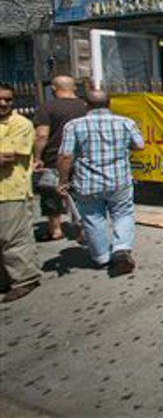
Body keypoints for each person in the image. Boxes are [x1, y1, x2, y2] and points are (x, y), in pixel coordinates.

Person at [57, 89, 143, 275]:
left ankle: (102, 257)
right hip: (119, 180)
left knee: (93, 218)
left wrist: (63, 180)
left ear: (86, 105)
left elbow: (65, 156)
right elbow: (139, 146)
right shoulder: (125, 123)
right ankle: (121, 250)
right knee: (123, 214)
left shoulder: (74, 126)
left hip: (87, 183)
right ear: (109, 104)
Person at [33, 76, 87, 241]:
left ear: (53, 89)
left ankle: (55, 229)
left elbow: (41, 135)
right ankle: (83, 229)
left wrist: (37, 157)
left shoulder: (47, 107)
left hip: (54, 157)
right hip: (82, 157)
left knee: (51, 192)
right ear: (74, 88)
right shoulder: (85, 106)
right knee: (81, 194)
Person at [0, 83, 41, 303]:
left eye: (7, 99)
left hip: (11, 189)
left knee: (13, 238)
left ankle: (25, 279)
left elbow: (8, 156)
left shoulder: (21, 124)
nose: (3, 103)